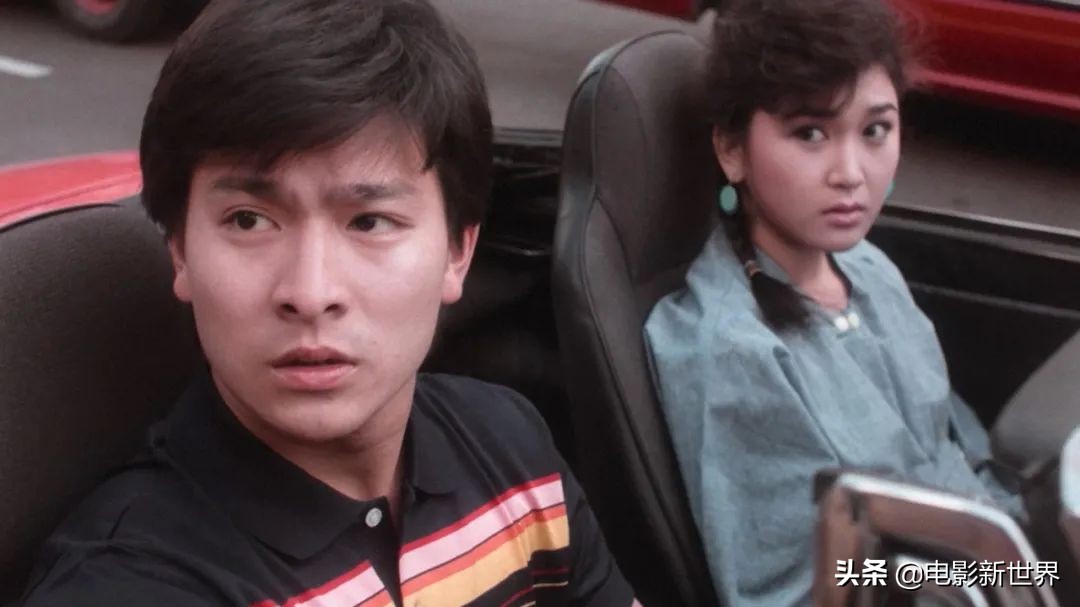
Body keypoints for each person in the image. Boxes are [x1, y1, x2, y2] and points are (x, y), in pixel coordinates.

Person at [18, 1, 637, 605]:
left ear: (458, 252)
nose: (311, 294)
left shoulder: (511, 447)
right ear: (180, 251)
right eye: (249, 220)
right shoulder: (128, 583)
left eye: (370, 222)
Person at [643, 0, 1025, 604]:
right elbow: (811, 588)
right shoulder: (734, 349)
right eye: (810, 133)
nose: (851, 173)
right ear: (732, 149)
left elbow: (954, 456)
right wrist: (1018, 576)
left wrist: (1035, 553)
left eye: (874, 131)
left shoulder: (868, 269)